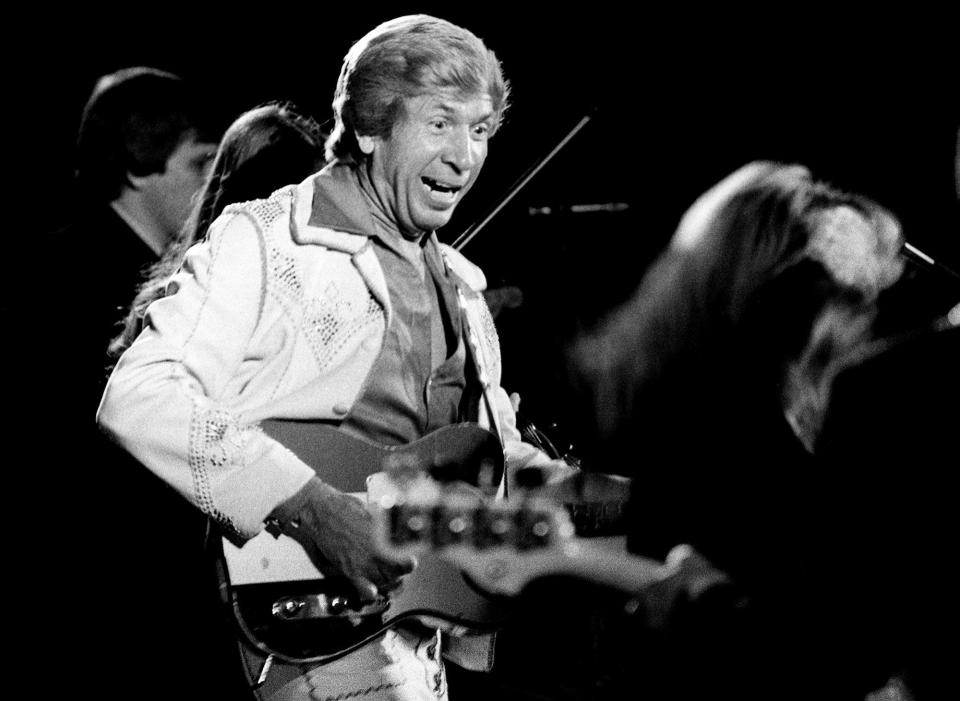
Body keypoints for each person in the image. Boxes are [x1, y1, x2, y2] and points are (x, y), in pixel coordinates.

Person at [98, 15, 564, 701]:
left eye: (481, 130)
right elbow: (139, 397)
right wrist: (316, 509)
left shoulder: (463, 287)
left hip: (423, 639)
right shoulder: (263, 243)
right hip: (315, 639)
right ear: (371, 126)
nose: (465, 155)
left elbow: (457, 458)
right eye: (441, 124)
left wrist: (542, 481)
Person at [542, 161, 911, 700]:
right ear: (789, 295)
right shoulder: (721, 430)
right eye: (853, 296)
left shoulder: (789, 415)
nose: (870, 318)